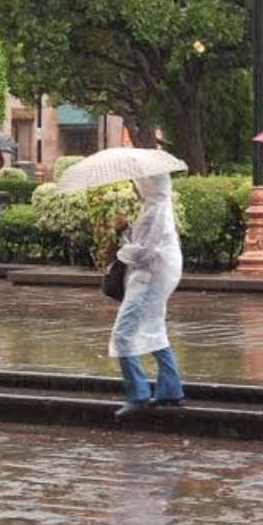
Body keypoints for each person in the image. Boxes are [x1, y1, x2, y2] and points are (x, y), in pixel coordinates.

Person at [109, 173, 185, 419]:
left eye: (139, 181)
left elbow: (145, 253)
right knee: (154, 329)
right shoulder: (155, 206)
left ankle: (138, 394)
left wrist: (122, 253)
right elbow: (144, 242)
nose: (135, 185)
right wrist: (126, 231)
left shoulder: (156, 211)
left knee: (123, 334)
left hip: (149, 279)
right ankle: (170, 390)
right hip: (153, 278)